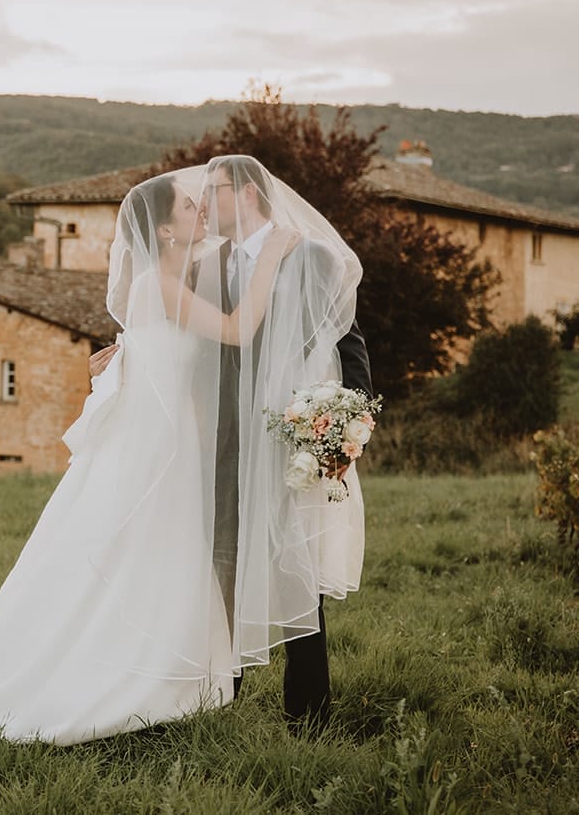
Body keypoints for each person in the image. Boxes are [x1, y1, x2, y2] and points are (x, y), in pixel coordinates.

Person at [0, 164, 300, 745]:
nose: (200, 209)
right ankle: (125, 669)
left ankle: (173, 662)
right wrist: (276, 253)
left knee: (164, 546)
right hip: (156, 442)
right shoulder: (157, 283)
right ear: (162, 231)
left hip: (169, 434)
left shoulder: (177, 276)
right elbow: (235, 331)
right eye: (188, 206)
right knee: (145, 544)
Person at [194, 155, 368, 729]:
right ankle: (221, 700)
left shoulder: (311, 256)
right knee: (224, 568)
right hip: (224, 440)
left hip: (293, 434)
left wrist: (352, 419)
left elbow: (348, 341)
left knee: (297, 568)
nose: (204, 202)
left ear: (246, 194)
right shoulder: (210, 263)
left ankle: (310, 715)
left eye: (213, 191)